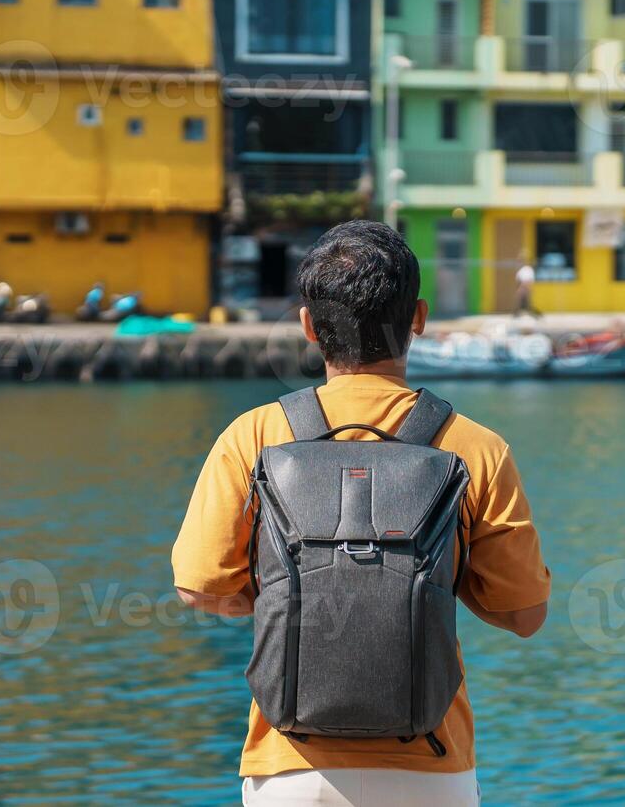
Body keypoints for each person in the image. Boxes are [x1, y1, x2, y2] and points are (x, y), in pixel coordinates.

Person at [172, 220, 551, 807]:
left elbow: (200, 587)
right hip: (432, 765)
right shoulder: (475, 447)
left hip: (291, 769)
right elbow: (524, 614)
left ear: (307, 326)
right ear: (418, 318)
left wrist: (285, 591)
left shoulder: (254, 436)